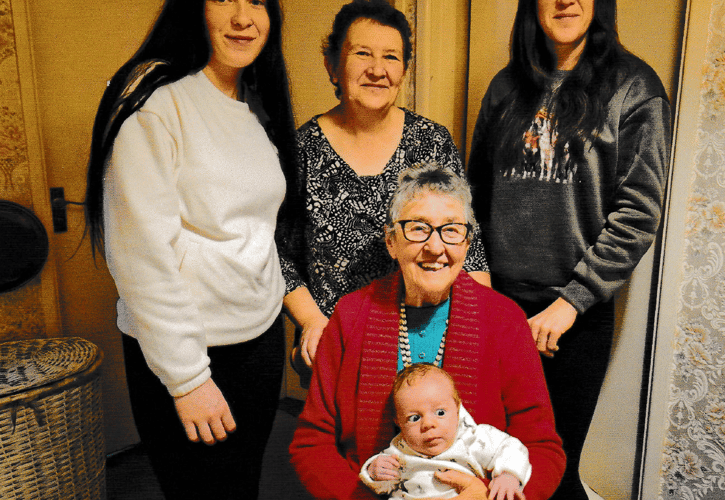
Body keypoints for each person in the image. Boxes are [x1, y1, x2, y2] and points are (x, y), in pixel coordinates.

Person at [83, 0, 301, 498]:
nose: (245, 17)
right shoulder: (154, 97)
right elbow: (141, 255)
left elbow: (254, 228)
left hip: (258, 338)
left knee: (242, 485)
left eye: (259, 1)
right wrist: (187, 380)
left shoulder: (253, 100)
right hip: (194, 353)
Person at [467, 1, 671, 499]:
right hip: (499, 307)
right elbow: (475, 194)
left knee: (551, 468)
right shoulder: (504, 87)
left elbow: (639, 211)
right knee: (490, 460)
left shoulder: (635, 88)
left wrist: (571, 302)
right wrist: (482, 294)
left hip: (572, 319)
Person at [289, 164, 565, 500]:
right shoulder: (350, 316)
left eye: (451, 230)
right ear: (391, 242)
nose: (436, 248)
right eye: (418, 228)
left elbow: (541, 447)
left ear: (466, 243)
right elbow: (312, 442)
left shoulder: (505, 320)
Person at [281, 0, 490, 376]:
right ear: (332, 65)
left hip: (427, 353)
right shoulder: (302, 151)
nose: (377, 70)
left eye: (391, 57)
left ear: (405, 71)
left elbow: (468, 247)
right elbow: (278, 256)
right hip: (339, 349)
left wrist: (486, 332)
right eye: (362, 53)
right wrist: (312, 322)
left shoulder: (431, 143)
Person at [360, 364, 530, 500]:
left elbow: (511, 447)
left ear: (457, 409)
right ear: (398, 423)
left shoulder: (471, 438)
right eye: (414, 418)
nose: (428, 424)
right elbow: (384, 485)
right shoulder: (400, 450)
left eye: (440, 413)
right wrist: (374, 472)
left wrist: (508, 476)